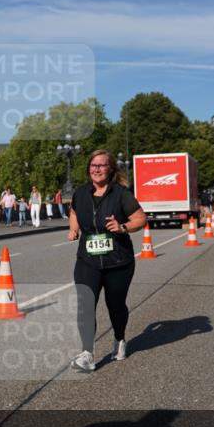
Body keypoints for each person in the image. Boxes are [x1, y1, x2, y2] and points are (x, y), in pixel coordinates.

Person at [68, 149, 147, 371]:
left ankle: (120, 338)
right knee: (85, 304)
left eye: (102, 165)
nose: (97, 169)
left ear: (110, 169)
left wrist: (122, 227)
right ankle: (87, 353)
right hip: (87, 260)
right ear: (88, 169)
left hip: (118, 262)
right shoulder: (80, 193)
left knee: (116, 305)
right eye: (94, 165)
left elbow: (141, 218)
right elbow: (74, 213)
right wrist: (73, 229)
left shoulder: (121, 194)